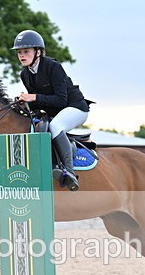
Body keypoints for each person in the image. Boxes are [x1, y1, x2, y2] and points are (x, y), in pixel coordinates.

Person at [13, 29, 90, 191]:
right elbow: (40, 102)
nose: (21, 55)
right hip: (55, 112)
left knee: (55, 127)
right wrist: (23, 104)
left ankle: (69, 172)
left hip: (75, 107)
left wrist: (33, 98)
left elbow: (60, 100)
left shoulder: (53, 67)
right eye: (19, 52)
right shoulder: (25, 74)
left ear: (38, 52)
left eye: (26, 51)